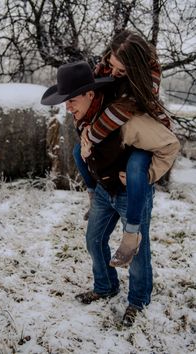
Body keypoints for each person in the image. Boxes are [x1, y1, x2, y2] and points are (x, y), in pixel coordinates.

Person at [41, 61, 180, 325]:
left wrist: (149, 175)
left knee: (137, 251)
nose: (67, 107)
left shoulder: (127, 122)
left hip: (131, 192)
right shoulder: (82, 114)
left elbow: (171, 144)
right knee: (94, 240)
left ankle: (138, 300)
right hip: (105, 191)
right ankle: (105, 286)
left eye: (71, 100)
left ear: (90, 94)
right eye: (64, 101)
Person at [72, 30, 180, 267]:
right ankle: (93, 197)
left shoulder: (144, 85)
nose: (113, 73)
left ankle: (132, 236)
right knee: (77, 152)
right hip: (118, 134)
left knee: (135, 167)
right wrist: (84, 130)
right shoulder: (106, 66)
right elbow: (90, 95)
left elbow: (122, 110)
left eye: (121, 71)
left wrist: (93, 134)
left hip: (143, 136)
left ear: (135, 68)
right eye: (111, 65)